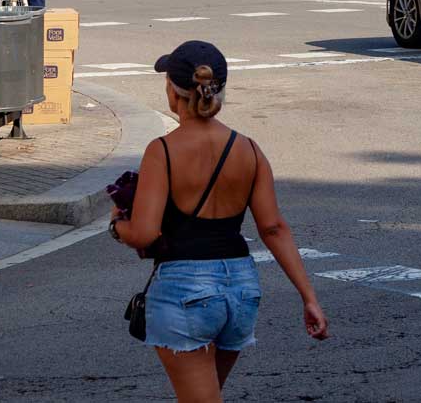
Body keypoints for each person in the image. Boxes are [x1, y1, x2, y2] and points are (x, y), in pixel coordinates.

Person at [112, 41, 329, 396]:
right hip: (241, 290)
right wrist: (309, 297)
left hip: (186, 290)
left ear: (173, 90)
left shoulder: (162, 150)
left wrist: (116, 223)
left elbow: (144, 233)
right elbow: (273, 228)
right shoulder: (248, 149)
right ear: (220, 89)